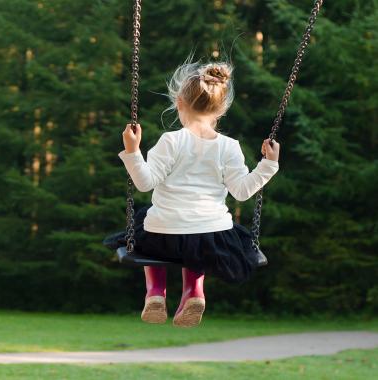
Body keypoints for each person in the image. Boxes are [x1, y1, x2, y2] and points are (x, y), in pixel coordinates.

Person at [118, 59, 280, 328]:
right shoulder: (229, 147)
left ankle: (155, 292)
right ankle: (194, 292)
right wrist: (268, 165)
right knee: (198, 240)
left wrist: (133, 151)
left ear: (180, 103)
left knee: (145, 222)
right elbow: (242, 192)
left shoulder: (170, 141)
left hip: (163, 235)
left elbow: (144, 183)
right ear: (221, 110)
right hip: (211, 236)